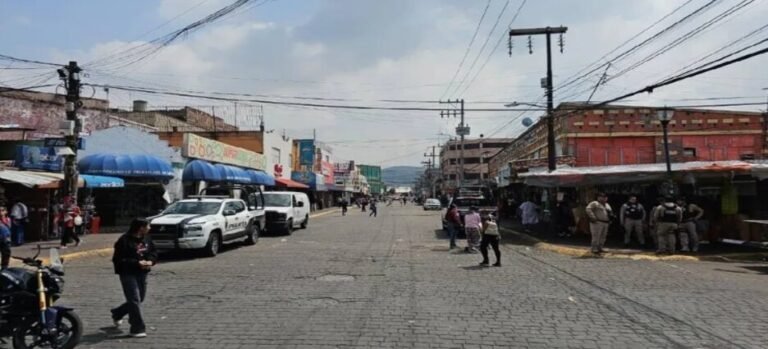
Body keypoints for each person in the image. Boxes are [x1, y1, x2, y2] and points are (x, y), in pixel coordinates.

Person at [111, 218, 158, 338]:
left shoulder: (147, 239)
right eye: (148, 226)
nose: (149, 228)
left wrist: (150, 261)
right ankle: (137, 328)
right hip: (128, 273)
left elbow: (153, 252)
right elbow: (118, 259)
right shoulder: (124, 240)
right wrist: (136, 263)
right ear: (140, 227)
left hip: (142, 273)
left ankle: (118, 312)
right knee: (134, 299)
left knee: (139, 298)